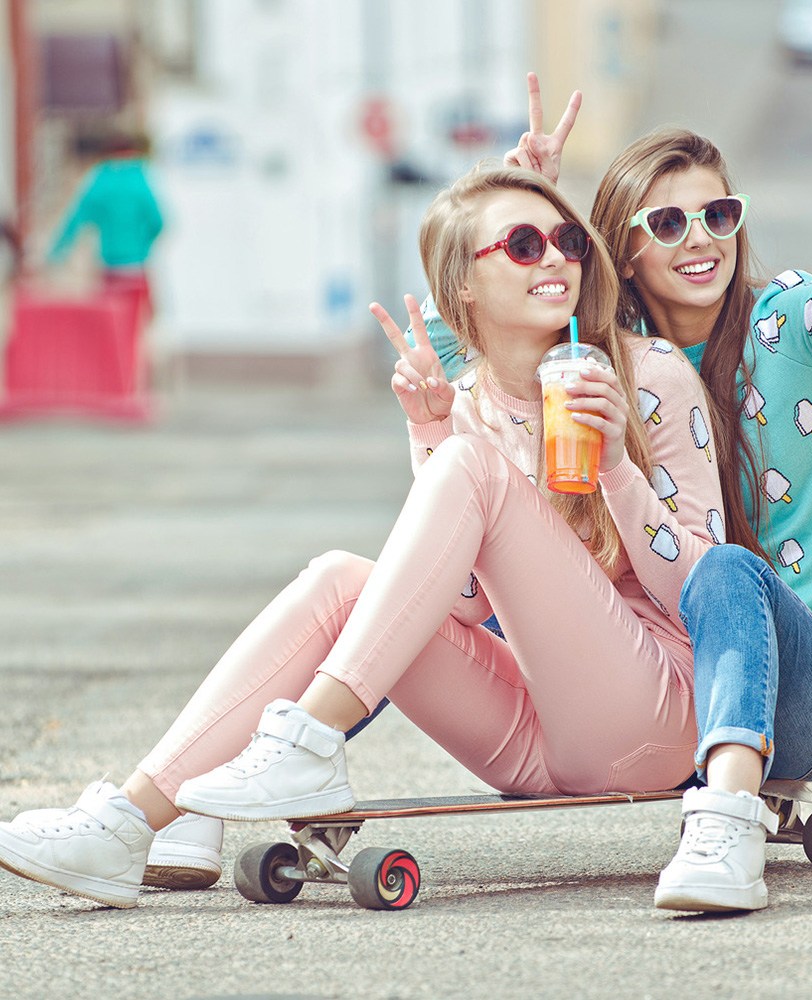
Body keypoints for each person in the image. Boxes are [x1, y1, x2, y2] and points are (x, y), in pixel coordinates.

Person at [0, 165, 724, 909]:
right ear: (463, 288)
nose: (556, 258)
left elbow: (708, 591)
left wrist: (616, 471)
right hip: (540, 739)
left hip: (655, 718)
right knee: (340, 578)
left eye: (568, 240)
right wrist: (432, 430)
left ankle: (309, 738)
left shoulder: (649, 377)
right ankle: (124, 826)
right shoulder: (469, 401)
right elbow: (469, 605)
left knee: (468, 471)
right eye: (523, 243)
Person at [414, 76, 812, 912]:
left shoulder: (795, 324)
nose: (702, 240)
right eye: (668, 222)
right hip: (667, 675)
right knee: (434, 577)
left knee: (722, 569)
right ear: (621, 250)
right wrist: (522, 214)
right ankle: (280, 760)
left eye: (719, 215)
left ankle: (726, 824)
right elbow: (463, 333)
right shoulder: (620, 358)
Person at [45, 130, 164, 327]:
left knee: (112, 328)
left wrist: (56, 254)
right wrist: (143, 246)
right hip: (136, 268)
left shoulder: (101, 179)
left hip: (109, 267)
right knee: (138, 327)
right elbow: (158, 221)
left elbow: (76, 220)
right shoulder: (140, 178)